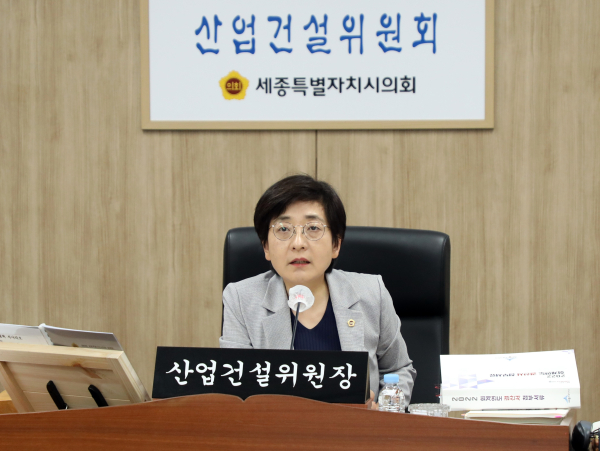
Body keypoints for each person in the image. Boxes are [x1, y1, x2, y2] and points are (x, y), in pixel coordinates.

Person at [219, 174, 416, 404]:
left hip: (355, 427)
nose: (298, 243)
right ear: (266, 247)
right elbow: (234, 389)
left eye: (313, 228)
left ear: (336, 244)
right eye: (283, 229)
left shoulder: (371, 293)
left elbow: (399, 369)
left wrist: (381, 410)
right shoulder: (241, 299)